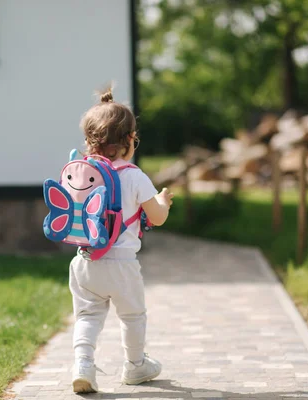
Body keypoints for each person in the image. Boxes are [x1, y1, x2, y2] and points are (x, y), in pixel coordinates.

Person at [69, 86, 174, 393]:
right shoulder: (134, 175)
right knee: (132, 316)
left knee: (88, 315)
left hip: (85, 260)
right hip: (121, 263)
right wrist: (164, 202)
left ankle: (83, 366)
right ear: (130, 139)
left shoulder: (83, 174)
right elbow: (156, 217)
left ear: (90, 141)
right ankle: (136, 365)